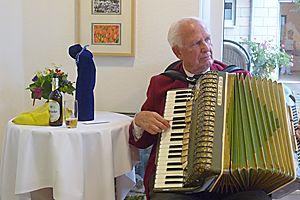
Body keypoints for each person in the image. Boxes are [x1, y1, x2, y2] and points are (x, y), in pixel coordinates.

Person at [128, 17, 270, 200]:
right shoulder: (163, 84)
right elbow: (143, 141)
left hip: (234, 182)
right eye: (196, 43)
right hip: (178, 181)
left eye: (207, 39)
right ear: (177, 52)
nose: (206, 48)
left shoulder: (239, 78)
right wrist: (139, 122)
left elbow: (264, 122)